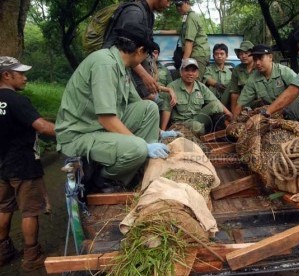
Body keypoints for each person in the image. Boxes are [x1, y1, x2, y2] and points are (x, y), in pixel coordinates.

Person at [55, 23, 180, 192]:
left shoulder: (121, 65)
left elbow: (138, 105)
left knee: (149, 108)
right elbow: (106, 118)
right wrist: (143, 145)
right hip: (81, 132)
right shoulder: (105, 64)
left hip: (97, 125)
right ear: (140, 50)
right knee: (138, 148)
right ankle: (104, 180)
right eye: (147, 55)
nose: (145, 61)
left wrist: (160, 132)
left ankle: (139, 170)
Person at [0, 57, 55, 271]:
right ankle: (32, 255)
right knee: (30, 211)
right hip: (24, 166)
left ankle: (3, 252)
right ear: (7, 75)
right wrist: (69, 132)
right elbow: (42, 127)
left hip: (2, 165)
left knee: (4, 208)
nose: (25, 77)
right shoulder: (17, 101)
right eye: (20, 73)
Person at [103, 0, 171, 100]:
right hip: (115, 72)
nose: (168, 4)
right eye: (168, 0)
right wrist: (144, 76)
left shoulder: (149, 15)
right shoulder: (135, 12)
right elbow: (126, 51)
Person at [160, 58, 233, 135]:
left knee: (216, 105)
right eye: (187, 70)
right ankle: (206, 134)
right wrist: (163, 131)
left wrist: (230, 115)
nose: (190, 73)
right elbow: (166, 110)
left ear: (197, 73)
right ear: (181, 72)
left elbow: (216, 102)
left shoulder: (201, 87)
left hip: (197, 118)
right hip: (181, 122)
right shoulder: (172, 87)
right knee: (197, 127)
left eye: (193, 71)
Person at [233, 44, 297, 118]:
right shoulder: (253, 79)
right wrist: (233, 123)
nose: (257, 63)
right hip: (274, 113)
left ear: (270, 57)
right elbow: (240, 103)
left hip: (294, 110)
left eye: (260, 58)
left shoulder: (284, 71)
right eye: (255, 59)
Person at [174, 0, 210, 79]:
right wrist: (157, 31)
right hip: (195, 54)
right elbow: (178, 31)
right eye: (176, 6)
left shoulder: (191, 17)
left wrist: (183, 65)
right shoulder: (187, 17)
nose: (178, 8)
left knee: (193, 82)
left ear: (187, 2)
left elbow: (189, 42)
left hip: (198, 54)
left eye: (180, 5)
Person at [228, 40, 255, 114]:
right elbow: (234, 93)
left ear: (253, 54)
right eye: (241, 54)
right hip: (243, 104)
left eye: (246, 53)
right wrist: (234, 113)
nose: (243, 56)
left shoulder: (259, 67)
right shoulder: (237, 70)